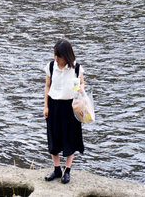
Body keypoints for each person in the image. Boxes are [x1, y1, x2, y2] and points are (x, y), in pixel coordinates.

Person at [43, 39, 85, 184]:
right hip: (54, 104)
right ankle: (56, 169)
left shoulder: (76, 68)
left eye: (59, 57)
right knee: (54, 138)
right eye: (55, 55)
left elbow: (81, 83)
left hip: (70, 106)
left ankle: (67, 170)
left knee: (69, 138)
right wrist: (46, 106)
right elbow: (47, 86)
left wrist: (80, 88)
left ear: (67, 56)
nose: (56, 59)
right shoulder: (51, 66)